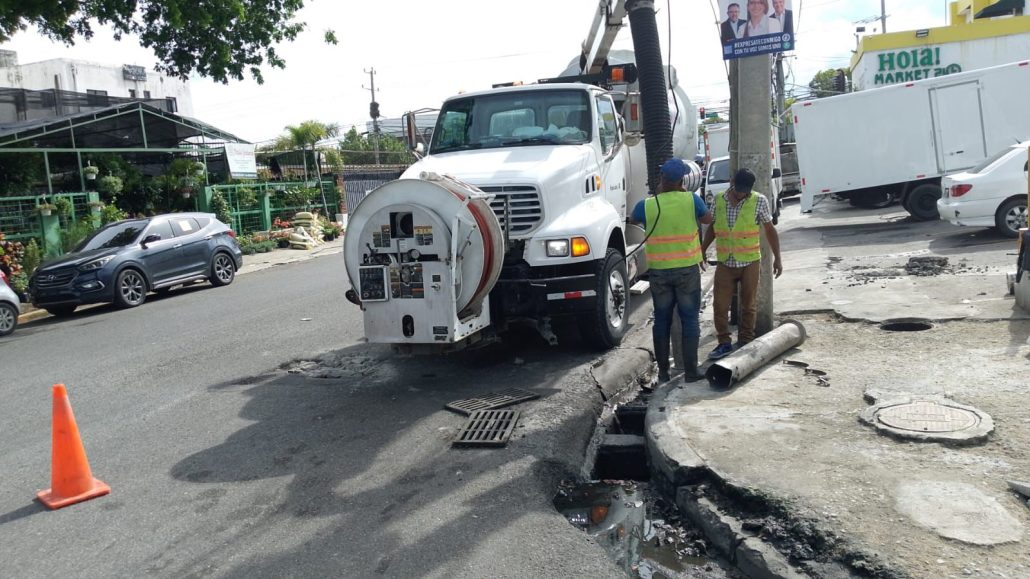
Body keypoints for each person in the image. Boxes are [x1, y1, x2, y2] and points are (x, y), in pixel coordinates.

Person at [632, 159, 713, 382]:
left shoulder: (647, 205)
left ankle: (664, 373)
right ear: (681, 181)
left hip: (659, 272)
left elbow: (632, 219)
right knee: (689, 320)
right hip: (687, 271)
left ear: (661, 180)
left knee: (662, 320)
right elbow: (708, 219)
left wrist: (658, 196)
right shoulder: (691, 200)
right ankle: (690, 371)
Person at [701, 168, 783, 360]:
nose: (740, 194)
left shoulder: (759, 200)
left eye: (744, 190)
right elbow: (712, 228)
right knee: (720, 306)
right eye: (738, 189)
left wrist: (777, 258)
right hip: (725, 263)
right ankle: (724, 343)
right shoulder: (719, 200)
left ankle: (746, 340)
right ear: (732, 182)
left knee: (749, 304)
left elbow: (770, 230)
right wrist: (702, 250)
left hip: (749, 262)